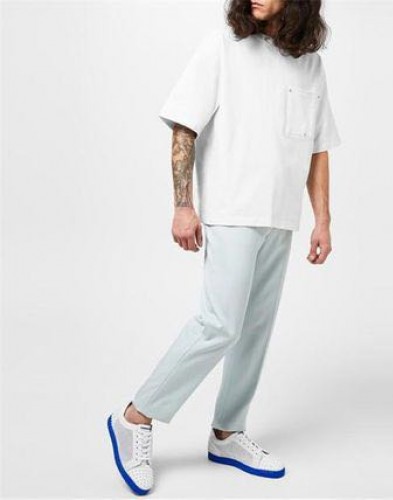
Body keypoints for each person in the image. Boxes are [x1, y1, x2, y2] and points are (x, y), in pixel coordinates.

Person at [106, 0, 341, 494]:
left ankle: (227, 433)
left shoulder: (310, 66)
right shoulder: (222, 48)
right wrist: (183, 206)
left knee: (254, 332)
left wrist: (322, 220)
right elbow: (184, 127)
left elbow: (318, 148)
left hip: (281, 219)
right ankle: (135, 416)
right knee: (218, 324)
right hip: (232, 210)